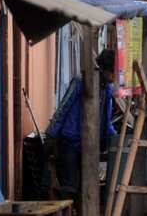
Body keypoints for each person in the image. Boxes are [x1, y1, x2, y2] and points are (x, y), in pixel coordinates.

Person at [46, 49, 117, 204]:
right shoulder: (80, 81)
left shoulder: (108, 89)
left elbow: (106, 119)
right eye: (113, 72)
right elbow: (63, 107)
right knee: (69, 189)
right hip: (70, 142)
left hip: (91, 146)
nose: (114, 77)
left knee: (88, 190)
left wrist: (114, 138)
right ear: (103, 68)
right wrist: (51, 133)